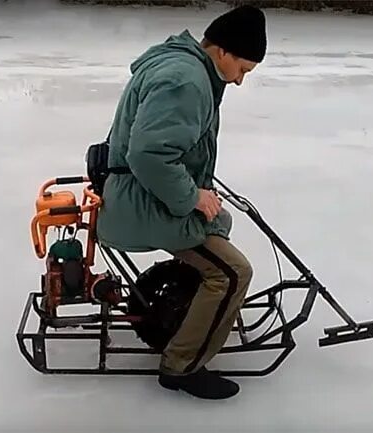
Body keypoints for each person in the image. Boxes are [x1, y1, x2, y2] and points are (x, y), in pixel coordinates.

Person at [96, 5, 267, 400]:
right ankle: (181, 367)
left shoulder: (183, 67)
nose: (240, 81)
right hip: (140, 201)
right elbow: (150, 155)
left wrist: (200, 192)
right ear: (222, 51)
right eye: (243, 69)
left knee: (219, 223)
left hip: (137, 193)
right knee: (233, 272)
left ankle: (185, 309)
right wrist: (191, 196)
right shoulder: (186, 79)